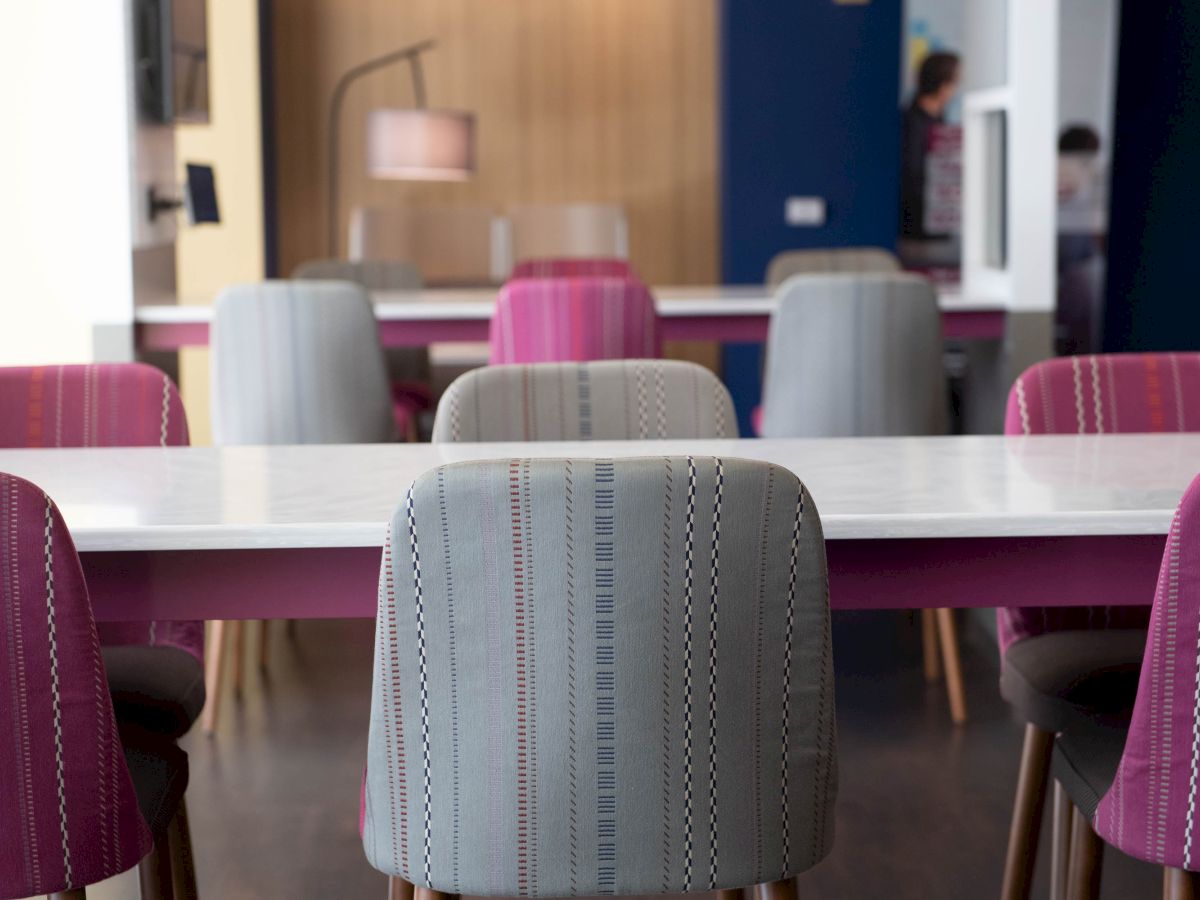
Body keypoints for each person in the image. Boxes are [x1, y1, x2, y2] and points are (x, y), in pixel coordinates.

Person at [900, 51, 960, 239]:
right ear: (943, 86)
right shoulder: (911, 123)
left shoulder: (940, 121)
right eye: (955, 82)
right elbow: (913, 174)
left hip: (940, 223)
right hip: (917, 227)